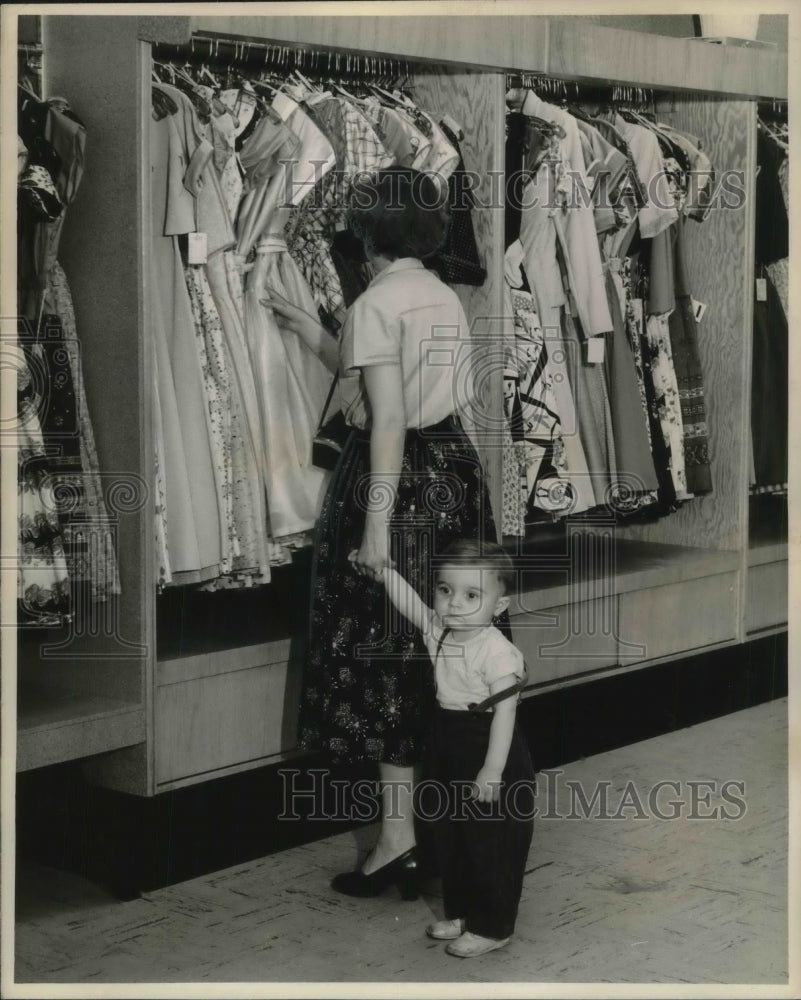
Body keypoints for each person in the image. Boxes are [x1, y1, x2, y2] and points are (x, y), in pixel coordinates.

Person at [263, 166, 501, 900]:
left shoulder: (374, 302)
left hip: (390, 484)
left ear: (368, 230)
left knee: (383, 658)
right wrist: (311, 330)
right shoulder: (442, 295)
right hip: (453, 474)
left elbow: (387, 417)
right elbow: (382, 381)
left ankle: (396, 839)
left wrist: (372, 527)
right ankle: (441, 832)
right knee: (441, 650)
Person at [381, 538, 534, 958]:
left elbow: (505, 715)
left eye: (471, 595)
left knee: (491, 842)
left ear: (498, 607)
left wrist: (493, 770)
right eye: (445, 591)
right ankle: (466, 913)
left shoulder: (497, 653)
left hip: (489, 749)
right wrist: (384, 571)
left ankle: (493, 925)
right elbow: (409, 604)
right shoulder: (440, 630)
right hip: (448, 740)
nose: (455, 604)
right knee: (451, 835)